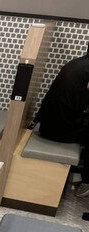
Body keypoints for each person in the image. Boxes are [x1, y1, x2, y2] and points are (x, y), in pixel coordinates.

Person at [35, 53, 89, 195]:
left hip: (46, 125)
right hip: (60, 131)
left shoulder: (76, 63)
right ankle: (87, 182)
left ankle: (82, 163)